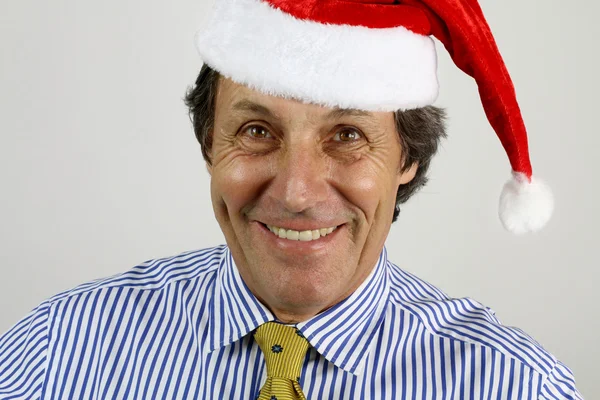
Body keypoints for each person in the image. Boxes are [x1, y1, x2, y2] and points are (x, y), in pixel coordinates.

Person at [0, 0, 582, 399]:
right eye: (256, 132)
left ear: (408, 159)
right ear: (209, 143)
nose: (296, 192)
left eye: (348, 136)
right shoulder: (58, 354)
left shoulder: (514, 384)